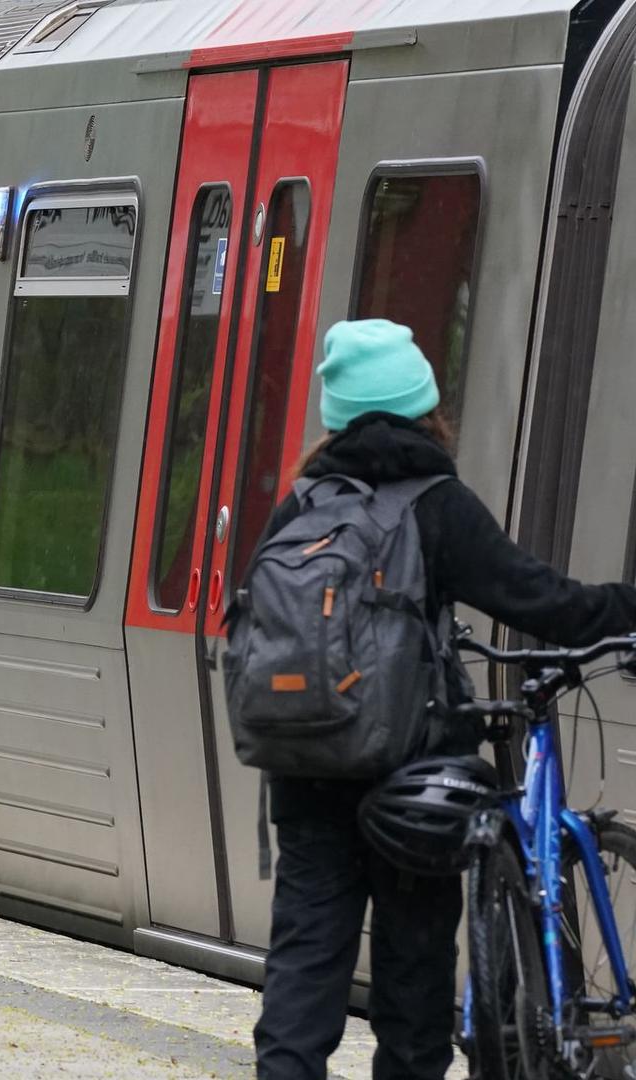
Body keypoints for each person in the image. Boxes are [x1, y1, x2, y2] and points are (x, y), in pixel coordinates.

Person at [252, 319, 636, 1079]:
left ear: (336, 414)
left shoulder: (299, 506)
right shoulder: (438, 504)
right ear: (426, 408)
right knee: (414, 980)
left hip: (305, 771)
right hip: (412, 782)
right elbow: (541, 601)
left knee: (305, 969)